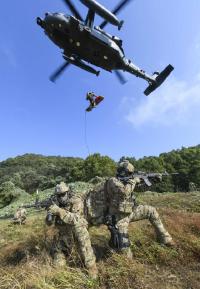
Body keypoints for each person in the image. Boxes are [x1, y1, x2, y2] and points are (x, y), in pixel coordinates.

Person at [104, 160, 174, 259]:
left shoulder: (128, 181)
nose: (130, 175)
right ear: (123, 172)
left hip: (131, 212)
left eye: (131, 174)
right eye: (129, 173)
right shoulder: (113, 181)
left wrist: (153, 181)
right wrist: (134, 180)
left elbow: (140, 189)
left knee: (151, 211)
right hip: (119, 218)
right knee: (125, 255)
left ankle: (165, 239)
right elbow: (124, 192)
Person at [47, 182, 98, 279]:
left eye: (63, 194)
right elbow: (49, 223)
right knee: (58, 264)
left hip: (78, 232)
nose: (61, 197)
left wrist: (58, 210)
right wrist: (49, 214)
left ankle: (92, 270)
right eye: (58, 195)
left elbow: (76, 219)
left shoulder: (75, 200)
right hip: (64, 235)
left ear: (68, 192)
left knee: (85, 251)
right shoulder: (56, 203)